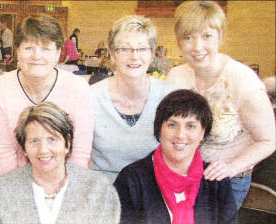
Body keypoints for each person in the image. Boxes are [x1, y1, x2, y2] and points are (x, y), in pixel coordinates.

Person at [166, 1, 275, 208]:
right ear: (179, 42)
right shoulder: (176, 76)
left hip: (228, 181)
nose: (197, 47)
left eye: (207, 36)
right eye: (188, 37)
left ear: (220, 37)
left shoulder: (242, 80)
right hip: (185, 176)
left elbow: (269, 140)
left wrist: (232, 167)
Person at [0, 14, 94, 176]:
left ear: (58, 53)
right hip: (17, 184)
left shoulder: (78, 88)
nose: (37, 56)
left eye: (45, 48)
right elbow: (4, 154)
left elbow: (79, 155)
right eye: (28, 48)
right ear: (17, 51)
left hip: (67, 184)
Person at [114, 89, 238, 224]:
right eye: (172, 125)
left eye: (190, 126)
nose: (180, 135)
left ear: (203, 132)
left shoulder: (216, 180)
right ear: (159, 129)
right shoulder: (132, 179)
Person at [0, 102, 120, 223]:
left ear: (67, 144)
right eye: (34, 141)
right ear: (24, 148)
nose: (43, 150)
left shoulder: (98, 189)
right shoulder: (0, 191)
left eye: (52, 139)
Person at [90, 15, 176, 182]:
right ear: (113, 55)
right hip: (105, 192)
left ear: (152, 54)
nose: (134, 56)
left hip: (154, 192)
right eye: (125, 49)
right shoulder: (91, 97)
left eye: (142, 49)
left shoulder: (170, 96)